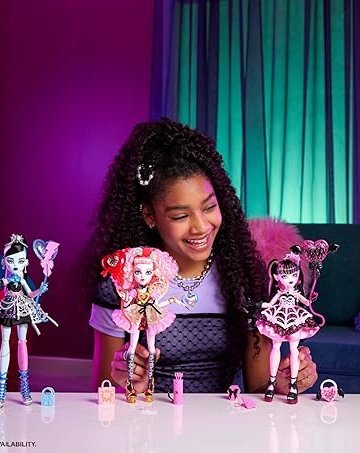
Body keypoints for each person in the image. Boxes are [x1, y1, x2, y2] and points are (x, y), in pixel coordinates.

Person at [84, 118, 318, 396]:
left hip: (221, 421)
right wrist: (129, 383)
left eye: (209, 207)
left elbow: (258, 387)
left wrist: (281, 383)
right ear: (149, 216)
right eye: (180, 216)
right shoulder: (120, 286)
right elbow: (104, 390)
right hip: (149, 419)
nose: (201, 227)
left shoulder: (245, 278)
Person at [0, 234, 50, 408]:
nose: (16, 265)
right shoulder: (7, 279)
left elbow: (30, 294)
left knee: (22, 342)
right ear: (4, 262)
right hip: (8, 309)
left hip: (23, 308)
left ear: (26, 262)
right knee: (5, 342)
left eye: (20, 261)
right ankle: (1, 388)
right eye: (11, 261)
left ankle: (24, 387)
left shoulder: (21, 279)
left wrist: (40, 290)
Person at [101, 246, 180, 402]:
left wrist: (171, 301)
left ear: (154, 273)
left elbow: (157, 303)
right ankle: (130, 385)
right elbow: (127, 301)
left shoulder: (152, 292)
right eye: (138, 272)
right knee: (132, 347)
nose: (143, 276)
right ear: (131, 273)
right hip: (136, 316)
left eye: (148, 272)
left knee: (151, 349)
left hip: (151, 316)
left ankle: (150, 384)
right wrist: (125, 298)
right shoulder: (132, 292)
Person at [255, 246, 322, 404]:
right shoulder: (279, 293)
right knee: (276, 347)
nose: (290, 278)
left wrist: (311, 297)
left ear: (298, 275)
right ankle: (271, 382)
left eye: (293, 274)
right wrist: (258, 305)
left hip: (294, 317)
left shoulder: (295, 293)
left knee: (293, 350)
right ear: (277, 277)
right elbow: (269, 304)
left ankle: (293, 385)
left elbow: (306, 302)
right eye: (285, 275)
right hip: (278, 316)